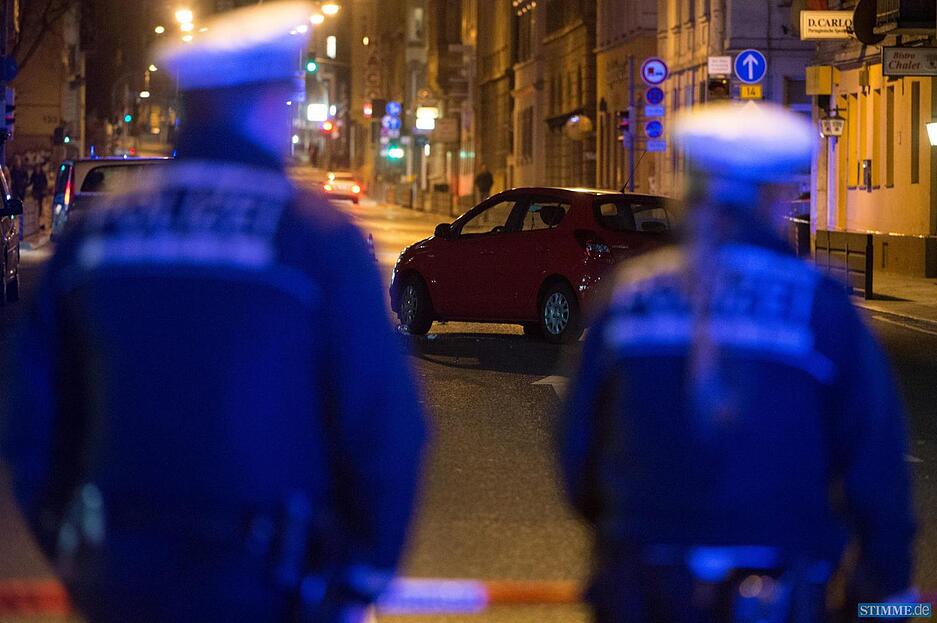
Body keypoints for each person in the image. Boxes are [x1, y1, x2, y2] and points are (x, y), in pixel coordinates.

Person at [0, 3, 426, 622]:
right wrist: (359, 577)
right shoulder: (313, 239)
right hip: (267, 581)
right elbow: (385, 426)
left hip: (121, 577)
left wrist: (76, 552)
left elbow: (32, 417)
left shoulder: (100, 236)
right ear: (267, 104)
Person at [558, 102, 916, 622]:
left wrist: (629, 526)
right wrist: (884, 594)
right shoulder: (820, 306)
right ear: (779, 198)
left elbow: (577, 447)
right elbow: (876, 465)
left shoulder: (627, 294)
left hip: (640, 585)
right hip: (776, 590)